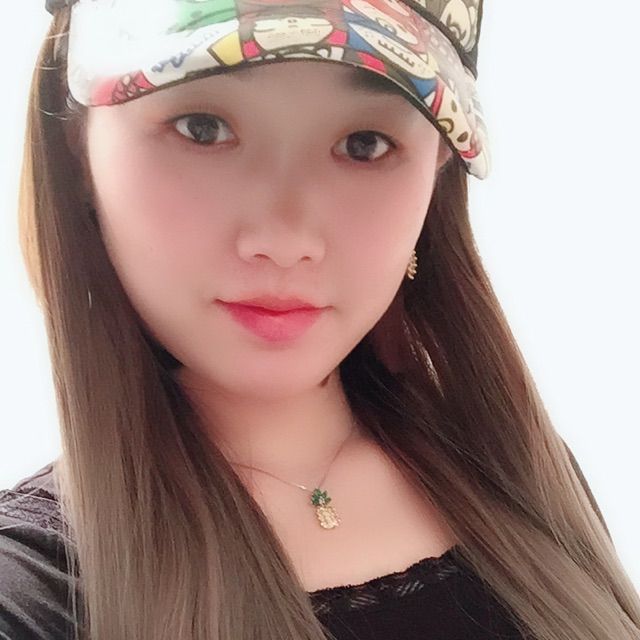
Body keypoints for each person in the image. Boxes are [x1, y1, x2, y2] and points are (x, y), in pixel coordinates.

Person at [1, 0, 639, 639]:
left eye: (365, 144)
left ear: (437, 165)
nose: (285, 240)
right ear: (77, 148)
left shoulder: (518, 475)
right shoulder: (32, 589)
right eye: (202, 127)